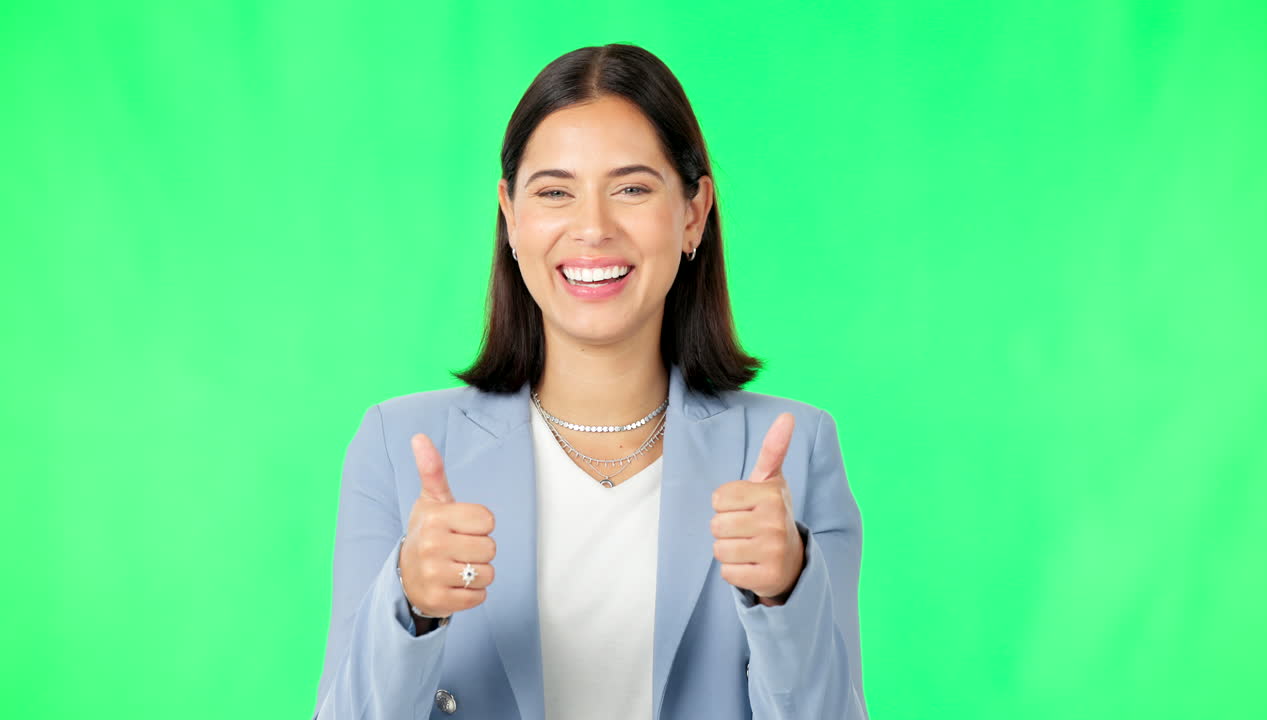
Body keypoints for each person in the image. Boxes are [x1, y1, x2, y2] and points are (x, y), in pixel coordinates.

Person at [312, 43, 867, 720]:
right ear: (512, 217)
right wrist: (410, 605)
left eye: (632, 188)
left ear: (692, 213)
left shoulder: (795, 449)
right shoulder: (397, 446)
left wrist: (787, 594)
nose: (593, 229)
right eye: (554, 192)